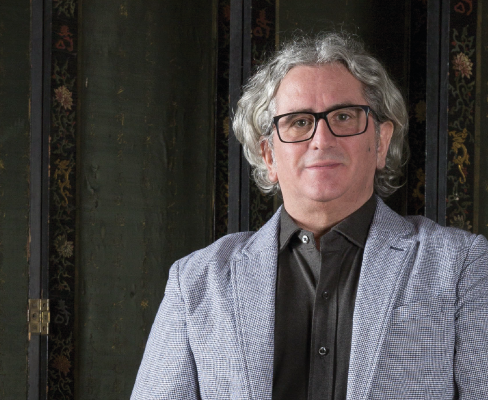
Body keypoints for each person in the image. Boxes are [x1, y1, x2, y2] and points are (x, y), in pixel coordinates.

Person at [131, 32, 488, 399]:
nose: (321, 140)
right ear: (268, 155)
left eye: (344, 117)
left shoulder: (461, 265)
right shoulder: (196, 281)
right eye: (299, 122)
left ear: (380, 142)